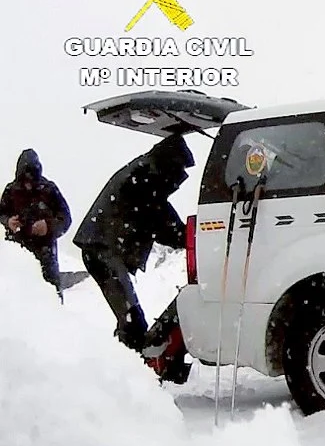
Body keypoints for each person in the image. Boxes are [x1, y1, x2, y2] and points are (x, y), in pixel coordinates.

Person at [74, 134, 193, 352]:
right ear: (170, 163)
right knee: (132, 319)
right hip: (102, 249)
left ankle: (132, 363)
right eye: (180, 170)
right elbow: (159, 218)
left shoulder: (145, 171)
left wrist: (183, 234)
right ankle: (132, 368)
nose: (179, 178)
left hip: (100, 247)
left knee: (130, 316)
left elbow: (159, 213)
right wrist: (187, 236)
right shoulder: (145, 176)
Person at [0, 149, 72, 297]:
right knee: (15, 294)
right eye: (25, 180)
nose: (28, 185)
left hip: (45, 252)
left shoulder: (49, 190)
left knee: (51, 294)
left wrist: (48, 226)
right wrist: (9, 221)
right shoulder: (11, 190)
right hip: (17, 250)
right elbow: (1, 213)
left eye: (32, 179)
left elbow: (65, 218)